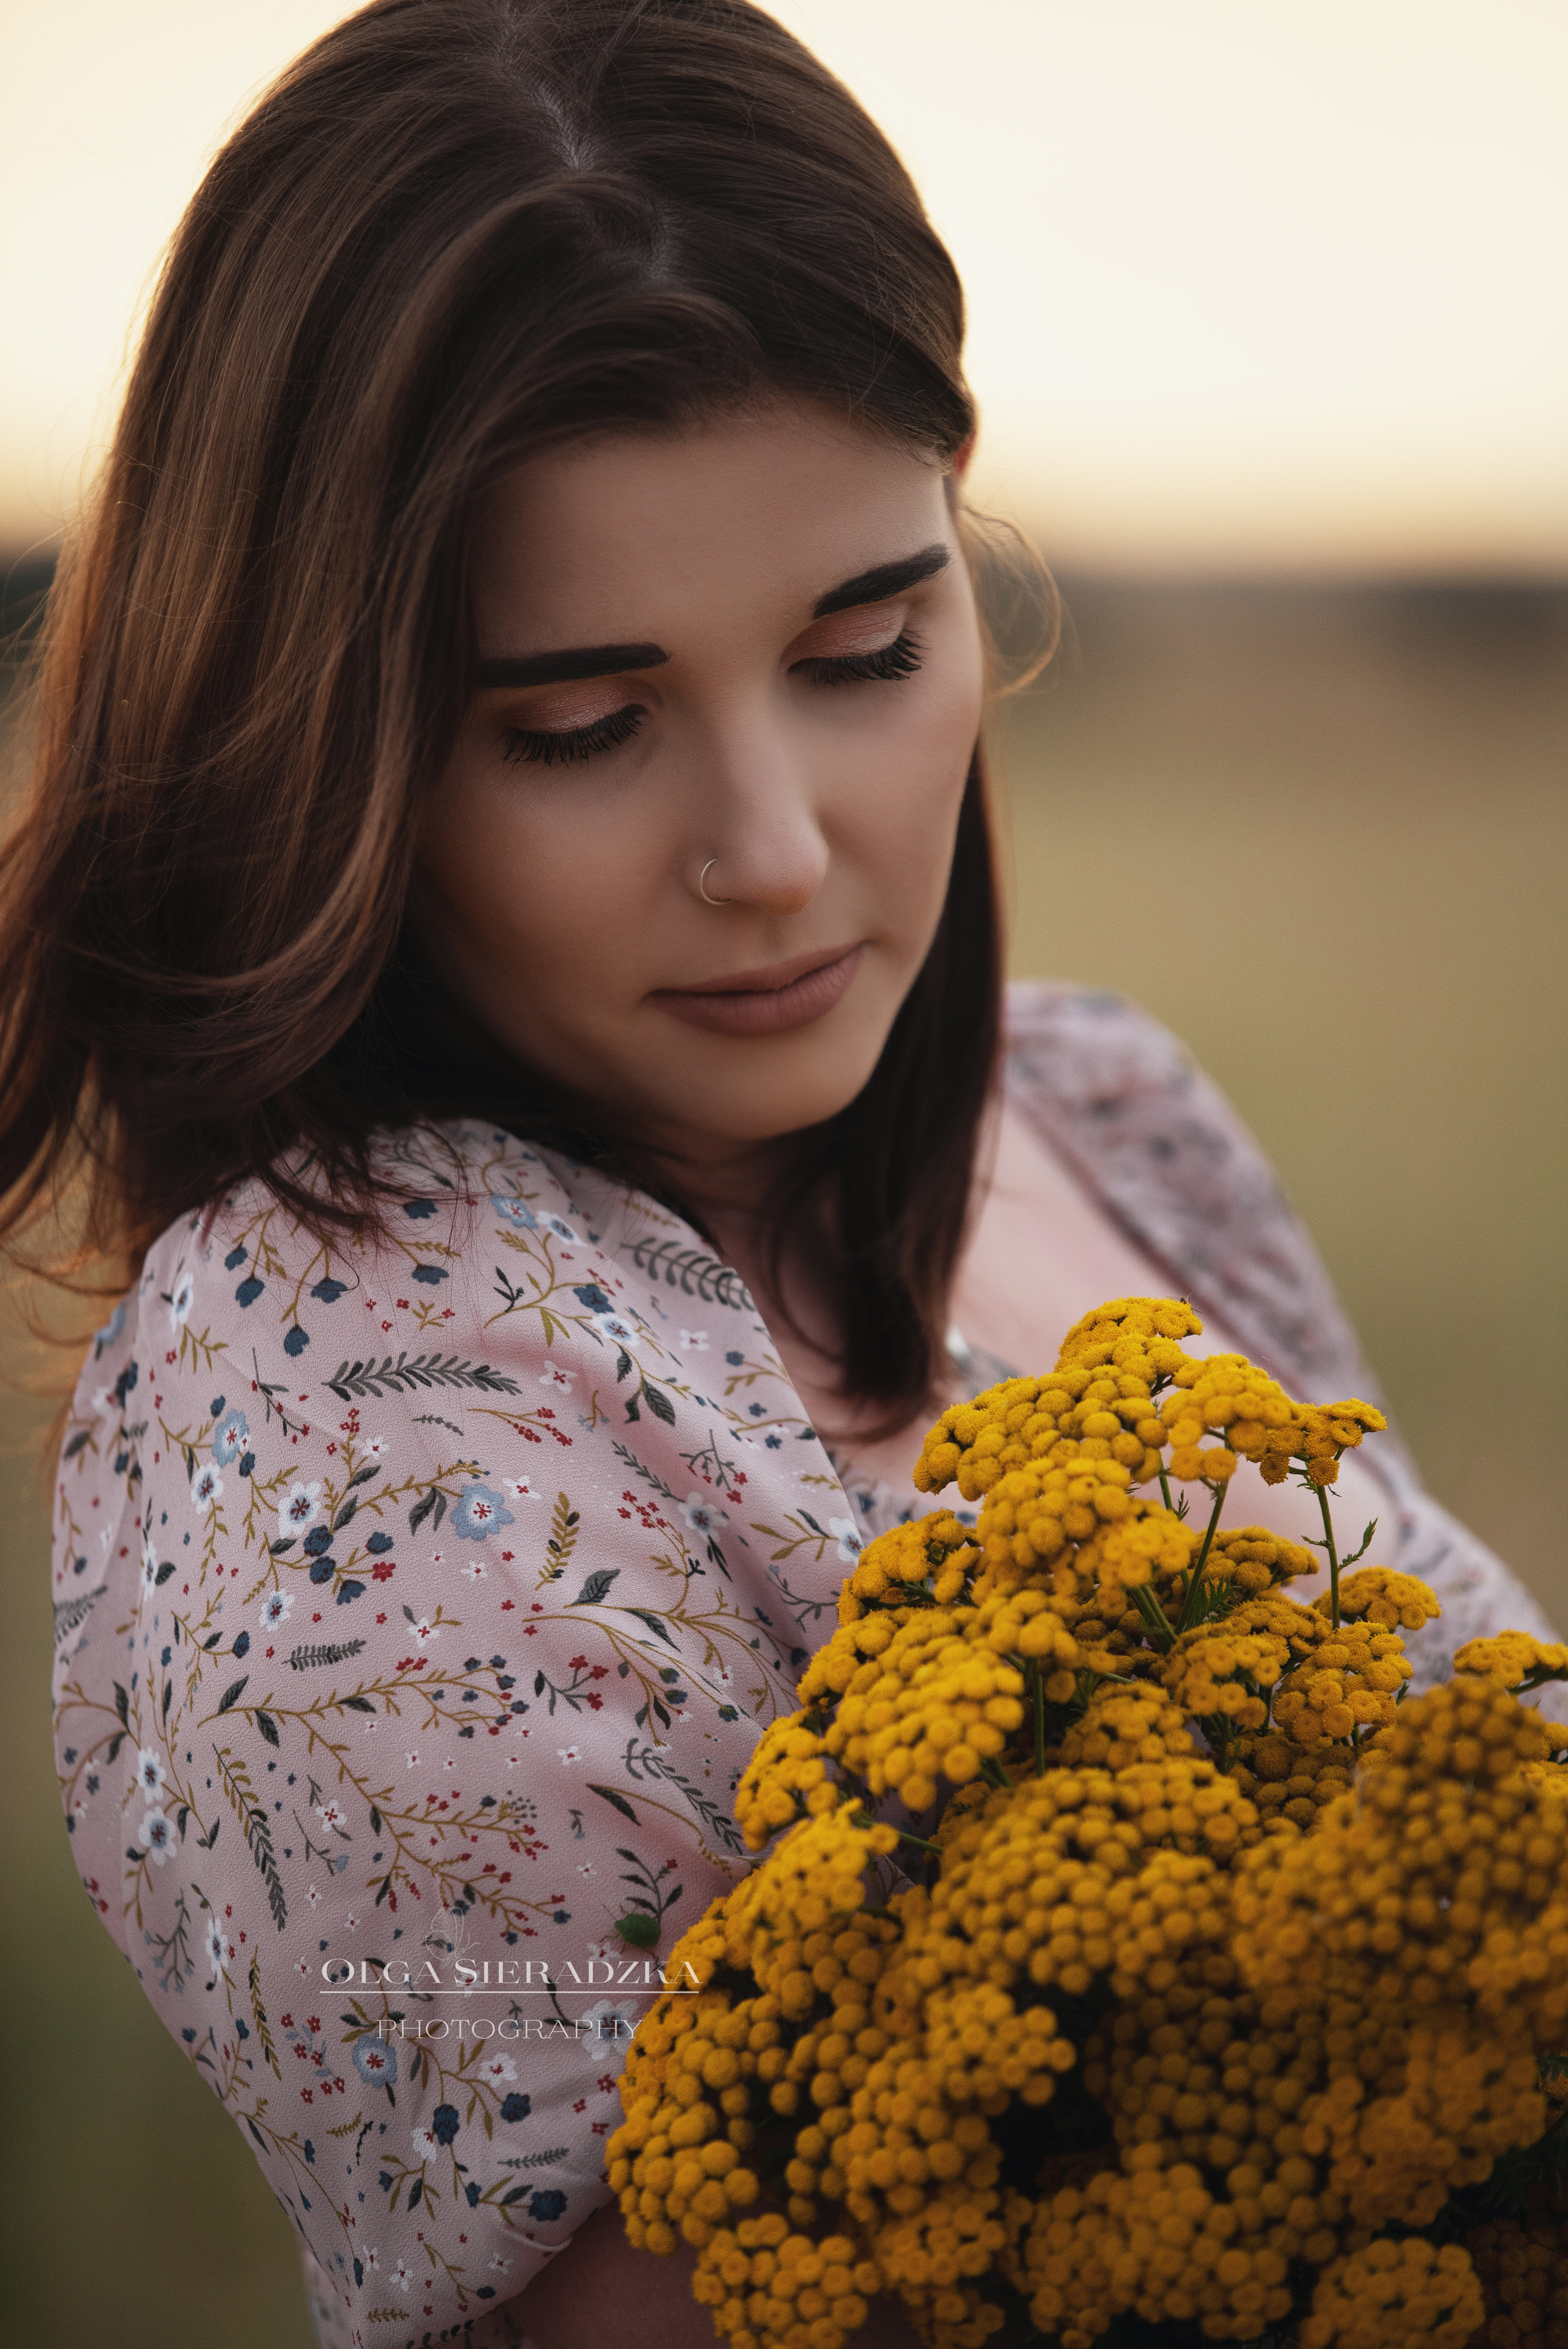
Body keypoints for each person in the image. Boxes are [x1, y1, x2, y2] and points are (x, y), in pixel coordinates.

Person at [4, 2, 1553, 2342]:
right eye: (583, 726)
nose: (771, 852)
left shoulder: (1103, 1114)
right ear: (332, 744)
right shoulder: (352, 1404)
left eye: (864, 647)